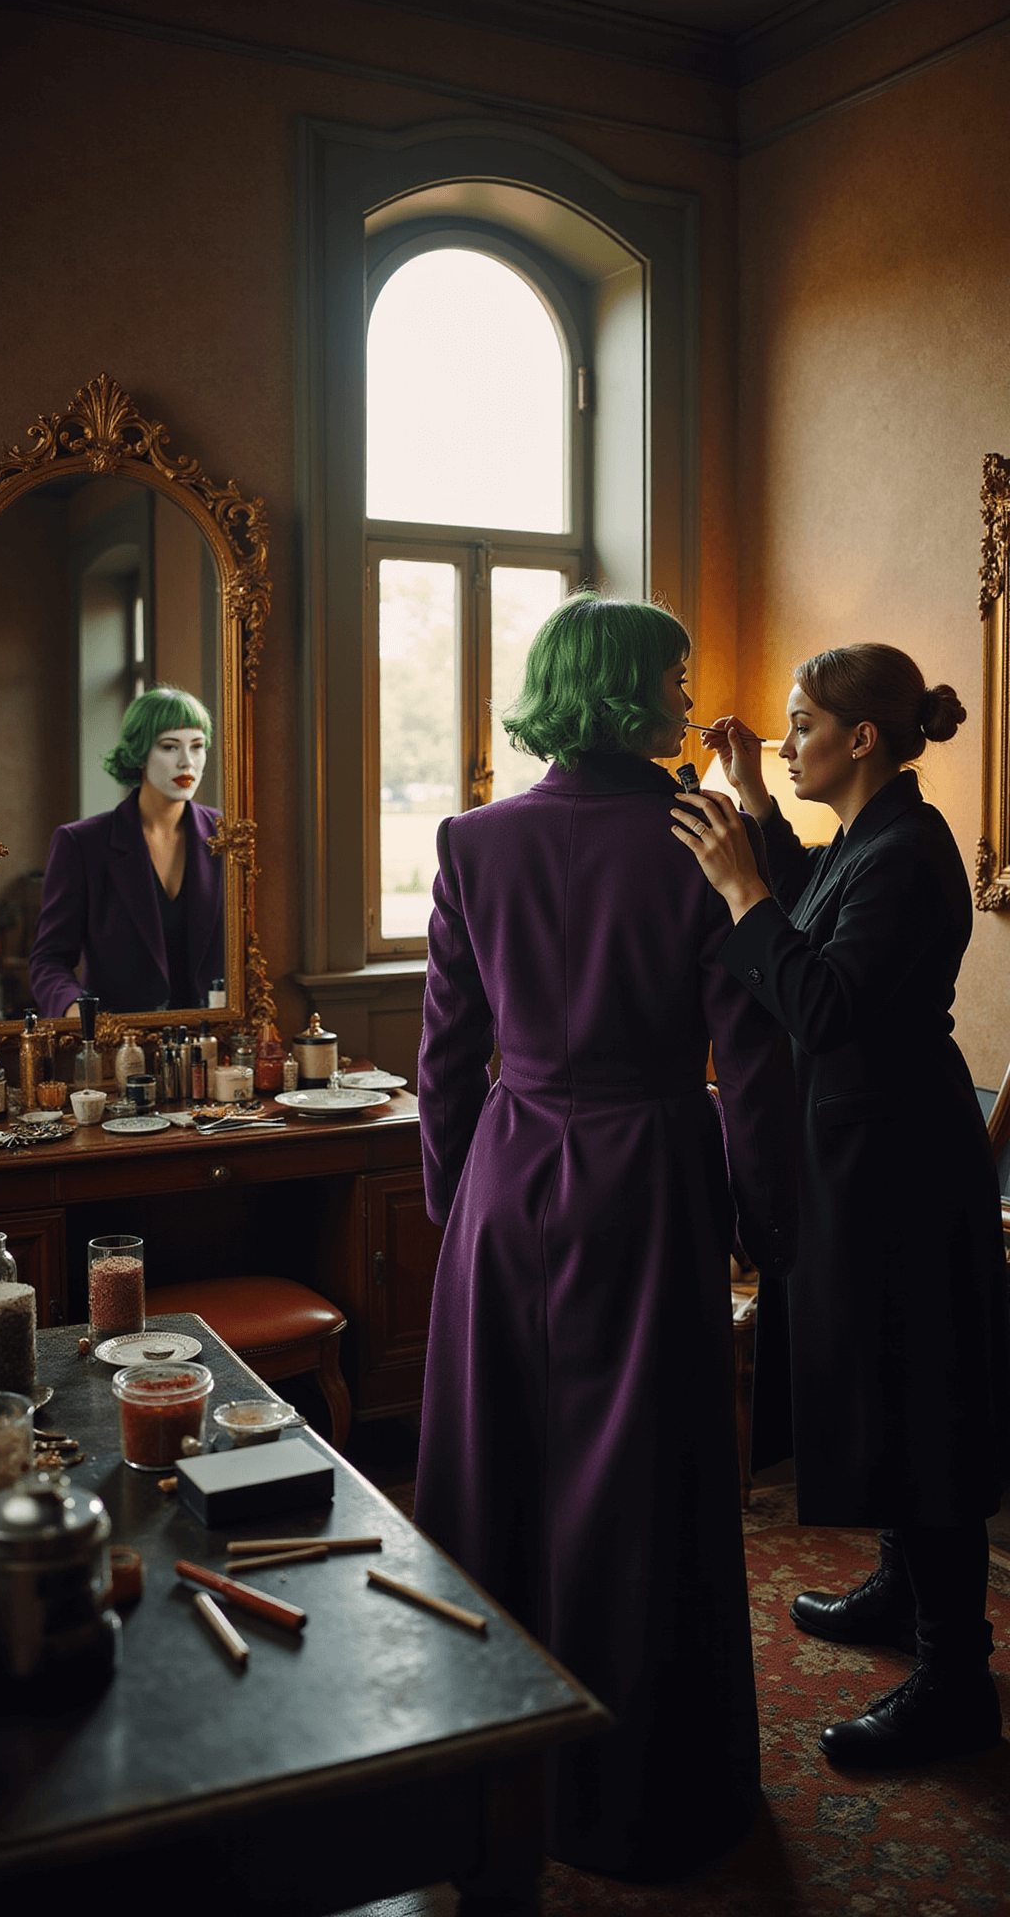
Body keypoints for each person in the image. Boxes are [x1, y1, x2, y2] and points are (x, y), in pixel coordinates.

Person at [414, 593, 797, 1881]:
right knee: (640, 1485)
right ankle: (642, 1793)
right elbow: (747, 1061)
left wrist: (453, 1202)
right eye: (678, 679)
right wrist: (761, 1222)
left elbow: (445, 1060)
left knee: (500, 1466)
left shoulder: (472, 842)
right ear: (631, 692)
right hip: (649, 1179)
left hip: (508, 1177)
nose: (692, 699)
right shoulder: (705, 842)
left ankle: (484, 1774)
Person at [670, 642, 1010, 1770]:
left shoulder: (909, 858)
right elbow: (810, 907)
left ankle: (955, 1677)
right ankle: (900, 1590)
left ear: (860, 738)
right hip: (863, 1155)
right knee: (882, 1383)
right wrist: (757, 811)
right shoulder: (871, 840)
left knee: (921, 1404)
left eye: (799, 725)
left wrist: (735, 887)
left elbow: (814, 1000)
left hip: (905, 1166)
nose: (783, 738)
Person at [29, 685, 223, 1016]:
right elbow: (49, 960)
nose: (186, 762)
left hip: (214, 1042)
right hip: (118, 1045)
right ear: (140, 752)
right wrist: (75, 1010)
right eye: (169, 747)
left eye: (197, 746)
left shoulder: (226, 835)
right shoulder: (81, 844)